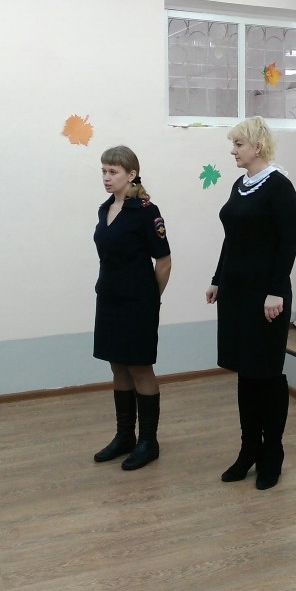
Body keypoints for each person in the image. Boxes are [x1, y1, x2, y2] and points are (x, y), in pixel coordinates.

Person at [206, 116, 296, 490]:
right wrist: (218, 278)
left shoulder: (279, 186)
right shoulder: (240, 185)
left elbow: (288, 241)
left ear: (256, 147)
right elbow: (232, 238)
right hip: (236, 292)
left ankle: (272, 453)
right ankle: (249, 449)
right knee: (246, 372)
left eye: (238, 144)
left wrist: (275, 290)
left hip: (266, 296)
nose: (233, 151)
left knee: (267, 373)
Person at [93, 146, 171, 470]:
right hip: (109, 300)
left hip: (138, 303)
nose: (107, 177)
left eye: (113, 172)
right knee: (117, 366)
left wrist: (151, 300)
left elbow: (164, 261)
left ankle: (148, 441)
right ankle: (124, 435)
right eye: (104, 171)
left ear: (132, 174)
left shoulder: (146, 211)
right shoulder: (105, 209)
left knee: (140, 368)